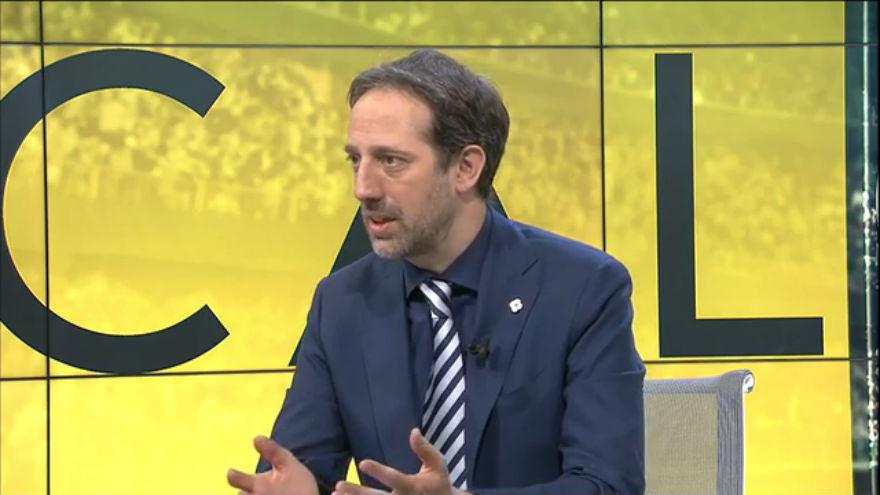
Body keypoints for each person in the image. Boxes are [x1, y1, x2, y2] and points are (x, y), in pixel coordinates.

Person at [227, 49, 645, 495]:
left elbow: (609, 485)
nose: (363, 188)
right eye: (355, 159)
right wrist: (302, 488)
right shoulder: (342, 302)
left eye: (391, 161)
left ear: (466, 168)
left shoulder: (583, 290)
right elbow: (300, 467)